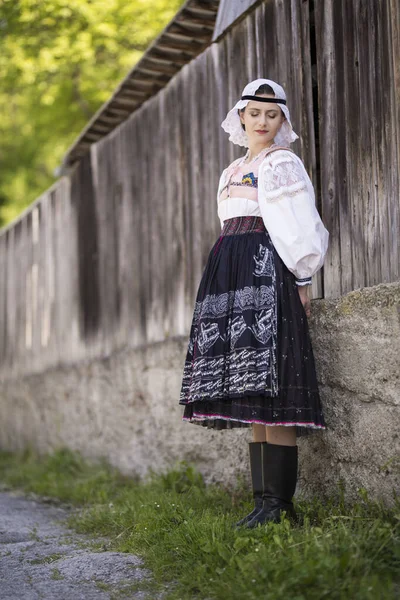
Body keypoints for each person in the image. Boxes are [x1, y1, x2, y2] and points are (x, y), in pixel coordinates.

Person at [178, 78, 329, 529]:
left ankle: (281, 506)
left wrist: (301, 277)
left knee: (273, 383)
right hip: (229, 271)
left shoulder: (281, 163)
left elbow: (296, 221)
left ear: (282, 121)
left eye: (272, 114)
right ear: (240, 115)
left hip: (265, 270)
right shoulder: (229, 171)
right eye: (255, 112)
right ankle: (263, 502)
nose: (262, 121)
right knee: (251, 387)